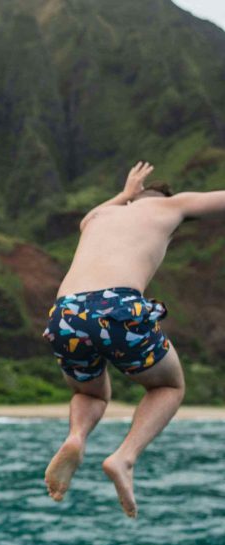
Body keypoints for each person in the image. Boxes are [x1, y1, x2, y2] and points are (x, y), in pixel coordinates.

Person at [42, 161, 224, 518]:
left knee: (89, 392)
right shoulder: (172, 206)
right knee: (169, 387)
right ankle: (124, 458)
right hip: (118, 305)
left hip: (64, 313)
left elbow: (90, 216)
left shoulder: (99, 218)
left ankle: (77, 437)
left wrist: (125, 194)